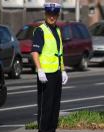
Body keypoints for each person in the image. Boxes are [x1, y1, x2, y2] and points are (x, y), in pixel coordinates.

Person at [31, 1, 68, 132]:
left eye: (55, 14)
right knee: (45, 108)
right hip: (45, 75)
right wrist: (39, 69)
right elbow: (35, 52)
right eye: (49, 14)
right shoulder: (40, 31)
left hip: (57, 73)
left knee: (55, 107)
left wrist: (63, 70)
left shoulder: (57, 30)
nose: (52, 17)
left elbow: (59, 53)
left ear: (58, 15)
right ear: (45, 14)